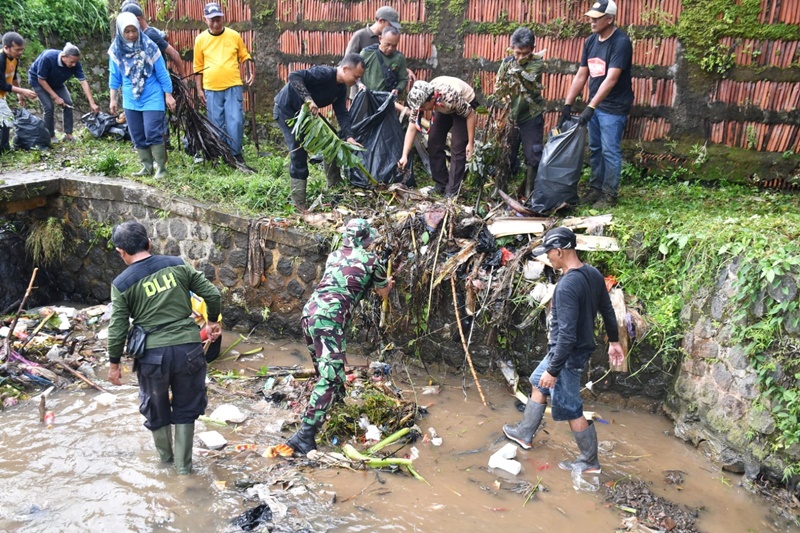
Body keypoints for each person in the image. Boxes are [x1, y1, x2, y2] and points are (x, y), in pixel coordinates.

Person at [502, 227, 623, 475]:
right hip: (566, 351)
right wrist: (614, 341)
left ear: (560, 251)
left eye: (549, 253)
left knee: (570, 408)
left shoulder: (567, 286)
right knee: (538, 381)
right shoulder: (592, 273)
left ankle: (589, 461)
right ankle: (524, 433)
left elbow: (567, 336)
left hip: (567, 355)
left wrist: (554, 370)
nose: (548, 258)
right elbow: (607, 309)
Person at [107, 221, 221, 474]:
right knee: (186, 408)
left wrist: (114, 365)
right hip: (188, 350)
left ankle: (165, 463)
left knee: (155, 407)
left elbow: (117, 328)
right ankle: (184, 471)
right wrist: (212, 321)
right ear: (149, 243)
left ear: (121, 252)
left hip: (152, 356)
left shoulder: (122, 283)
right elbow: (212, 294)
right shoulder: (177, 264)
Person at [278, 219, 394, 456]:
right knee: (331, 376)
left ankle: (336, 407)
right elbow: (382, 291)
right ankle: (305, 435)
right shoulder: (372, 260)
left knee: (326, 369)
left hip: (310, 313)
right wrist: (388, 283)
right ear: (366, 239)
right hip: (329, 319)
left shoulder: (334, 255)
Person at [561, 0, 633, 208]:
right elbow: (582, 74)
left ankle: (609, 194)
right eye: (591, 18)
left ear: (609, 19)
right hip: (596, 104)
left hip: (614, 107)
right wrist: (567, 103)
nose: (592, 21)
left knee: (609, 150)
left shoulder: (621, 43)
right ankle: (595, 188)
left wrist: (590, 107)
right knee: (595, 148)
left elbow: (611, 79)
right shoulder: (591, 41)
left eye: (596, 18)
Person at [273, 54, 365, 210]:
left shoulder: (341, 88)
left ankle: (334, 187)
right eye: (356, 77)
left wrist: (349, 137)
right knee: (298, 153)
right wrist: (308, 99)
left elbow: (342, 113)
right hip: (287, 111)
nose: (357, 81)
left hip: (308, 114)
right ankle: (299, 203)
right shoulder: (324, 73)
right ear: (345, 69)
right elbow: (294, 76)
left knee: (333, 141)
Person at [109, 12, 176, 179]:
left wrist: (168, 95)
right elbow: (114, 77)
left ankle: (161, 168)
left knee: (152, 131)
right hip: (130, 98)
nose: (131, 35)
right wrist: (113, 99)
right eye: (127, 31)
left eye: (134, 30)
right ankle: (146, 166)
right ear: (120, 31)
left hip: (152, 95)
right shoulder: (116, 49)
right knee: (137, 133)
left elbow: (162, 73)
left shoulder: (149, 46)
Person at [193, 2, 255, 164]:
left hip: (232, 85)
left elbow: (245, 56)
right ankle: (220, 153)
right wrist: (199, 89)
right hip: (211, 87)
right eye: (212, 20)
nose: (216, 23)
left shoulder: (234, 36)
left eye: (218, 19)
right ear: (205, 19)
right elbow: (198, 67)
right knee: (216, 122)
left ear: (223, 18)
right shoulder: (200, 39)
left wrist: (250, 72)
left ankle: (235, 154)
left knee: (236, 120)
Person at [399, 77, 478, 197]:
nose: (421, 110)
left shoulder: (449, 98)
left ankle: (452, 191)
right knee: (434, 140)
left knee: (458, 146)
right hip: (443, 106)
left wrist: (470, 143)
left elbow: (470, 114)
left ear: (431, 99)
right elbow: (412, 127)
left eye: (423, 107)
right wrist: (404, 155)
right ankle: (441, 183)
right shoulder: (419, 101)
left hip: (464, 102)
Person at [494, 27, 545, 197]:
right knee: (506, 153)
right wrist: (505, 99)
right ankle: (500, 191)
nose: (521, 57)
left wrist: (514, 66)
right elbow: (499, 85)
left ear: (533, 49)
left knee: (533, 154)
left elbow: (525, 80)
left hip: (531, 116)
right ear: (511, 49)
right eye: (517, 53)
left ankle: (530, 194)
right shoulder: (507, 62)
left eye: (525, 53)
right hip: (512, 116)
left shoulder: (537, 63)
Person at [28, 43, 99, 144]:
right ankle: (50, 136)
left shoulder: (76, 63)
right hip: (38, 81)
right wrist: (56, 97)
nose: (74, 65)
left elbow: (83, 82)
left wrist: (92, 103)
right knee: (49, 107)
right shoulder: (48, 58)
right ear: (63, 56)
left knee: (68, 102)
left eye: (76, 62)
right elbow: (41, 79)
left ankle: (68, 135)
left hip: (56, 81)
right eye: (72, 62)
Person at [345, 5, 401, 99]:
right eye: (390, 25)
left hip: (381, 95)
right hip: (360, 93)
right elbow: (348, 61)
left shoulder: (387, 39)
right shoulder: (360, 36)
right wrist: (358, 83)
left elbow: (390, 61)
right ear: (381, 21)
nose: (392, 29)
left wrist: (404, 69)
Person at [121, 3, 187, 78]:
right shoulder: (140, 36)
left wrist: (183, 77)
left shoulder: (150, 35)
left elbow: (174, 54)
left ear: (138, 19)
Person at [0, 32, 38, 153]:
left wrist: (20, 95)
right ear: (6, 48)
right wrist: (23, 91)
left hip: (1, 95)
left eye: (22, 49)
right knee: (7, 118)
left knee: (5, 119)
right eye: (17, 50)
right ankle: (4, 148)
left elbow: (14, 77)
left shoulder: (14, 59)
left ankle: (4, 148)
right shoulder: (0, 60)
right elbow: (2, 85)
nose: (20, 52)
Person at [359, 26, 408, 104]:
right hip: (367, 99)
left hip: (386, 101)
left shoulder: (399, 58)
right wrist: (360, 84)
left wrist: (398, 89)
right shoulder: (366, 53)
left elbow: (403, 79)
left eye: (394, 46)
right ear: (380, 39)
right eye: (387, 44)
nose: (390, 48)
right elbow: (355, 73)